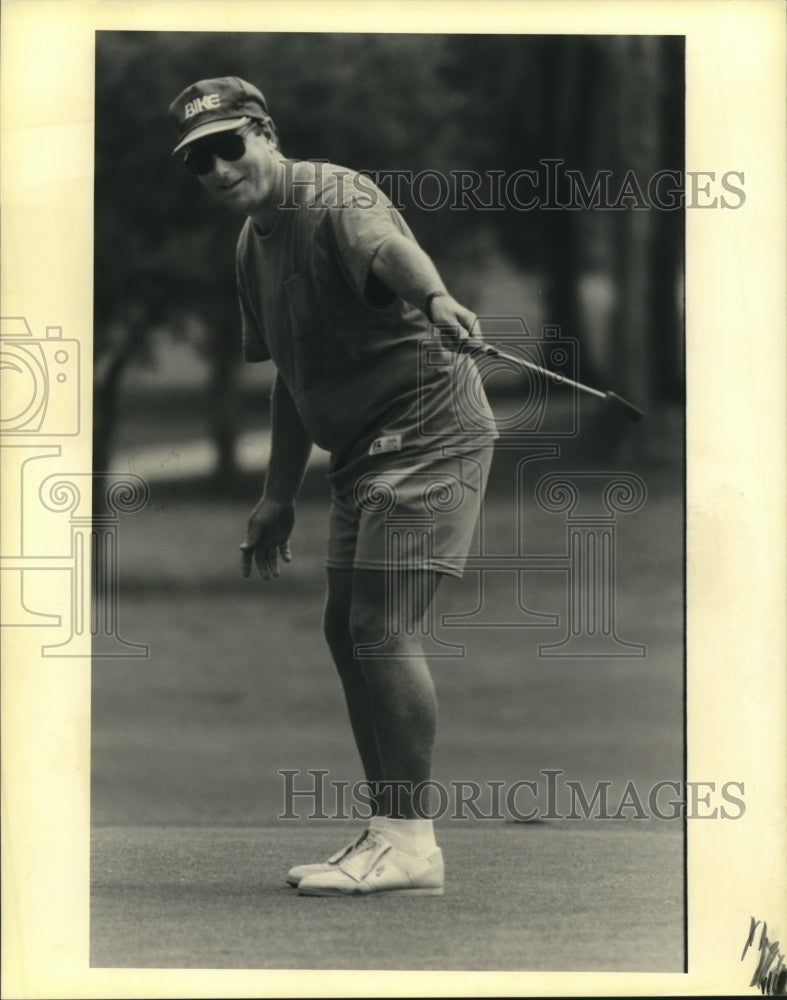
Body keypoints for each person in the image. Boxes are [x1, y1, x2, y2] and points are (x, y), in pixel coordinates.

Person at [169, 76, 498, 896]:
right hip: (361, 451)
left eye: (226, 145)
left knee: (379, 628)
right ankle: (391, 832)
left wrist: (435, 294)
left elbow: (386, 249)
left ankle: (414, 845)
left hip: (427, 430)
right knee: (342, 629)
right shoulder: (252, 244)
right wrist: (279, 495)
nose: (215, 168)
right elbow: (294, 374)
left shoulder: (333, 193)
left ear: (265, 132)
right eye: (197, 160)